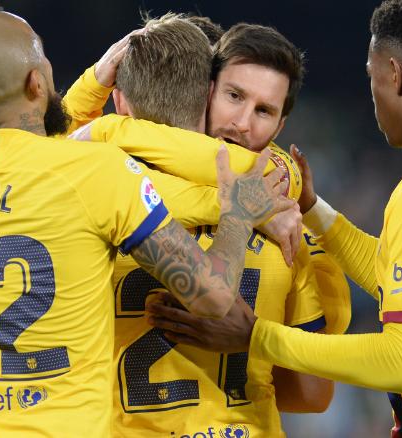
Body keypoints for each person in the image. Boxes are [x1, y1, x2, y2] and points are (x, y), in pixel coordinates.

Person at [149, 1, 402, 436]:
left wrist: (257, 335)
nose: (370, 89)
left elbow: (401, 363)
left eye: (370, 74)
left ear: (395, 75)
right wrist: (314, 210)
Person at [0, 6, 292, 437]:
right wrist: (235, 216)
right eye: (42, 58)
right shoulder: (96, 172)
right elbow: (213, 298)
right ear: (36, 82)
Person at [68, 14, 336, 437]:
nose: (243, 123)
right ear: (206, 93)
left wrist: (101, 117)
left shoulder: (96, 197)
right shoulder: (285, 220)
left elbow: (40, 157)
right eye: (234, 96)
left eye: (263, 110)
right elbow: (312, 394)